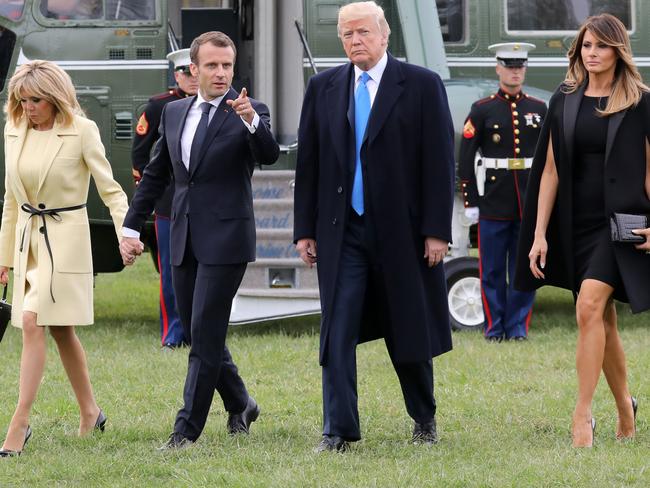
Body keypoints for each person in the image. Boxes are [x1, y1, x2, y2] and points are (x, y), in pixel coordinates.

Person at [294, 1, 455, 452]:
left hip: (403, 234)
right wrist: (304, 229)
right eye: (346, 35)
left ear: (385, 35)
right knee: (337, 330)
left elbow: (439, 164)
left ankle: (424, 418)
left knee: (409, 327)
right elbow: (309, 164)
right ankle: (338, 430)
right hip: (342, 232)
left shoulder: (421, 85)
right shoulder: (323, 87)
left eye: (362, 32)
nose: (354, 41)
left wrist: (436, 230)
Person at [120, 31, 279, 450]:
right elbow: (156, 175)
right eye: (212, 65)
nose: (221, 72)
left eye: (227, 65)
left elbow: (268, 153)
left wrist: (250, 120)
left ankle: (185, 430)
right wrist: (131, 226)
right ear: (194, 69)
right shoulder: (174, 113)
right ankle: (241, 402)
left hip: (227, 238)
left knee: (205, 332)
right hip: (183, 235)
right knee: (196, 331)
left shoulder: (249, 111)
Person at [515, 14, 648, 447]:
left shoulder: (641, 101)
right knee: (600, 318)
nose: (592, 54)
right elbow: (550, 169)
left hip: (621, 224)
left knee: (589, 305)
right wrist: (539, 233)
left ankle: (582, 415)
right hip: (574, 224)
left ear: (618, 51)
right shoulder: (565, 97)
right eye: (586, 46)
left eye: (601, 47)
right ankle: (626, 406)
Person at [0, 60, 129, 456]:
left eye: (36, 99)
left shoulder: (81, 131)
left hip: (66, 240)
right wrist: (3, 257)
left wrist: (126, 233)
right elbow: (11, 200)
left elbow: (112, 191)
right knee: (60, 330)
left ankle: (18, 424)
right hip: (26, 242)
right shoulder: (14, 130)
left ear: (56, 97)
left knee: (31, 320)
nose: (29, 107)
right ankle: (91, 412)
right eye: (23, 100)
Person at [459, 43, 547, 342]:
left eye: (520, 66)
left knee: (525, 268)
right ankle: (494, 327)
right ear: (498, 68)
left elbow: (548, 158)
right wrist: (471, 201)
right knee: (493, 270)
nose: (515, 71)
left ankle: (518, 327)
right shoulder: (482, 109)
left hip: (529, 202)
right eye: (509, 66)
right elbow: (466, 157)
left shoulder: (538, 108)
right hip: (494, 202)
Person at [132, 48, 198, 349]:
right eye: (185, 72)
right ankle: (174, 331)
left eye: (194, 70)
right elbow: (140, 155)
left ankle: (201, 329)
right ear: (177, 75)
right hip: (169, 203)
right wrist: (152, 192)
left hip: (204, 204)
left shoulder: (218, 105)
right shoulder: (159, 108)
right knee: (171, 271)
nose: (191, 78)